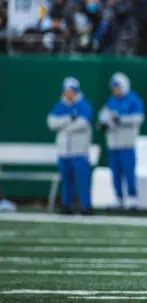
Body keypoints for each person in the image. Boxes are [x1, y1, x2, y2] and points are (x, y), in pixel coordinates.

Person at [47, 77, 93, 214]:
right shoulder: (60, 106)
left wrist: (64, 127)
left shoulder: (83, 105)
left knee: (83, 179)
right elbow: (51, 123)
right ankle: (66, 205)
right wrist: (69, 120)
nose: (69, 94)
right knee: (66, 180)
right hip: (64, 151)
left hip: (79, 150)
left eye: (71, 91)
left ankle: (86, 206)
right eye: (66, 91)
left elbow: (83, 123)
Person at [99, 73, 144, 210]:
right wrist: (103, 124)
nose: (115, 90)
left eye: (117, 87)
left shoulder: (133, 100)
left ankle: (132, 197)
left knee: (128, 171)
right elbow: (104, 116)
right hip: (113, 142)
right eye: (114, 88)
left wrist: (122, 119)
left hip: (127, 142)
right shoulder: (111, 101)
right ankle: (118, 197)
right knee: (115, 172)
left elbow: (139, 118)